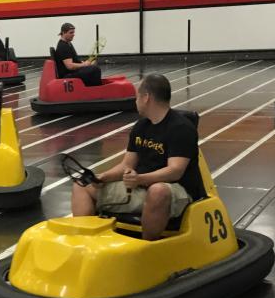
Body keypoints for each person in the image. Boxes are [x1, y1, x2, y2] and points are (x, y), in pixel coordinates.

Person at [70, 74, 203, 241]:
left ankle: (146, 249)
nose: (135, 101)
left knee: (158, 191)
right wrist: (102, 177)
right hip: (140, 187)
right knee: (82, 185)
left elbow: (174, 171)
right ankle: (85, 242)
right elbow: (127, 164)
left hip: (176, 190)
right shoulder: (141, 126)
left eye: (137, 97)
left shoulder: (182, 128)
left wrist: (140, 179)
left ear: (146, 98)